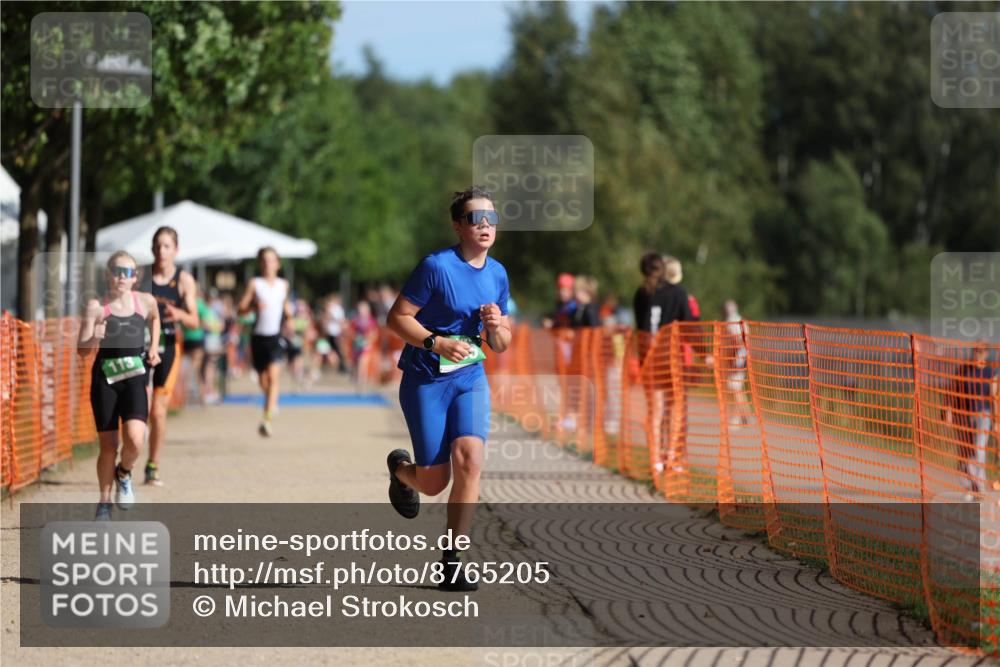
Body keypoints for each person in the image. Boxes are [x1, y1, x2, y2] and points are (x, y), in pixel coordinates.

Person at [385, 185, 512, 592]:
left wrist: (495, 328)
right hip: (426, 377)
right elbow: (397, 317)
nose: (486, 225)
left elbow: (502, 342)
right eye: (476, 218)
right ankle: (402, 473)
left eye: (491, 218)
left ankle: (452, 561)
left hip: (469, 377)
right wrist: (434, 341)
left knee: (470, 459)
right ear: (458, 226)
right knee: (435, 482)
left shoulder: (498, 274)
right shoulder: (436, 267)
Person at [79, 251, 161, 520]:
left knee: (136, 439)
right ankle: (104, 504)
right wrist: (94, 336)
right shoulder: (96, 306)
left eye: (127, 272)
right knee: (108, 445)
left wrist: (154, 348)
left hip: (135, 376)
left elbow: (155, 319)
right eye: (116, 271)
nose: (121, 277)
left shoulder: (145, 302)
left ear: (135, 277)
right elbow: (82, 350)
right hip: (105, 379)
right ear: (107, 275)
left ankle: (124, 473)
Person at [146, 227, 199, 487]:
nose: (161, 251)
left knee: (158, 410)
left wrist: (178, 315)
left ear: (176, 250)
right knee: (136, 408)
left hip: (168, 345)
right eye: (157, 245)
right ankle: (128, 459)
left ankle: (152, 464)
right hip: (141, 345)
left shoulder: (185, 280)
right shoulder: (142, 276)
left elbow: (195, 321)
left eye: (167, 246)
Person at [632, 252, 693, 477]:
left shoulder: (641, 293)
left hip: (649, 358)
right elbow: (689, 327)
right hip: (672, 358)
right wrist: (703, 350)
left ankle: (655, 459)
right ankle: (673, 457)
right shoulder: (678, 293)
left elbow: (641, 327)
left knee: (655, 411)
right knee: (675, 409)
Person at [237, 247, 293, 437]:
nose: (268, 263)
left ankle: (266, 420)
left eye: (272, 260)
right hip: (258, 337)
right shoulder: (255, 284)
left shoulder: (283, 285)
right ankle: (272, 402)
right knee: (264, 381)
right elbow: (240, 309)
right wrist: (253, 306)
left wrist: (290, 318)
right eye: (265, 260)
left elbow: (284, 304)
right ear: (261, 264)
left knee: (274, 377)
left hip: (275, 337)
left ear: (278, 264)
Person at [946, 346, 998, 493]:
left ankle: (979, 487)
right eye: (976, 350)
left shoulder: (990, 372)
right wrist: (949, 410)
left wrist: (996, 422)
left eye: (981, 351)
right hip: (965, 416)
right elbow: (953, 389)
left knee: (978, 450)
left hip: (984, 415)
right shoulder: (964, 370)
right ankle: (972, 485)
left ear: (986, 353)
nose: (978, 354)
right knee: (965, 454)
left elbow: (994, 398)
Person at [322, 293, 349, 374]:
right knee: (331, 349)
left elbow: (340, 320)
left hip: (334, 332)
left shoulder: (336, 309)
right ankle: (334, 365)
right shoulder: (332, 308)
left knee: (336, 349)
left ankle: (341, 366)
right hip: (330, 331)